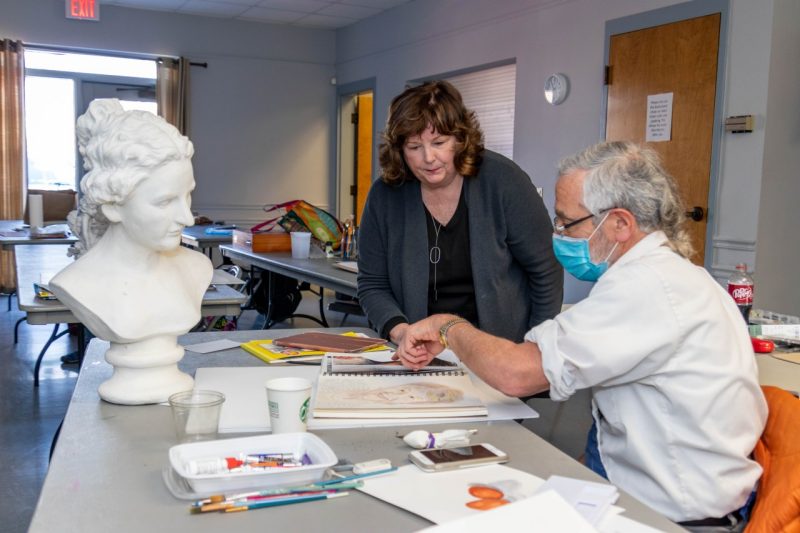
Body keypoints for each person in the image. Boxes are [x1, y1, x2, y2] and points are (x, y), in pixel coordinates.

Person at [397, 141, 767, 529]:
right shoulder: (676, 277)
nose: (558, 234)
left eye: (567, 223)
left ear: (621, 223)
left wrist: (447, 326)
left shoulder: (647, 287)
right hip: (649, 490)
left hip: (673, 518)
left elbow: (516, 374)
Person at [357, 81, 563, 355]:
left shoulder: (504, 182)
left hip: (502, 350)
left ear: (460, 139)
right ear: (400, 150)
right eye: (414, 147)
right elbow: (373, 284)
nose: (428, 157)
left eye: (439, 143)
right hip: (420, 352)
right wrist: (402, 332)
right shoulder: (386, 194)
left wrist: (535, 348)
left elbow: (546, 271)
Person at [49, 99, 212, 404]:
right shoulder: (80, 284)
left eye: (187, 195)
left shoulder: (197, 267)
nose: (187, 218)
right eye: (164, 202)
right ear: (113, 206)